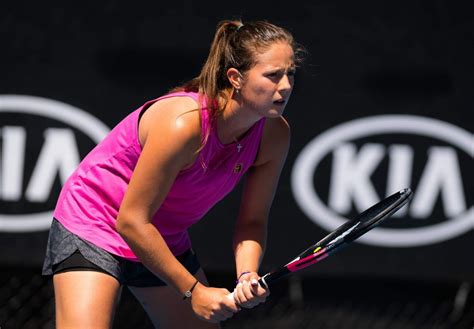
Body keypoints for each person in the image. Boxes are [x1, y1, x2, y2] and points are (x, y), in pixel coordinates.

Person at [42, 19, 303, 329]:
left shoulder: (274, 135)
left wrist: (247, 274)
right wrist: (193, 291)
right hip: (96, 223)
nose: (285, 86)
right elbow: (131, 220)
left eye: (290, 74)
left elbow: (253, 221)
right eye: (273, 75)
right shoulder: (184, 124)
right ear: (235, 78)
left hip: (161, 238)